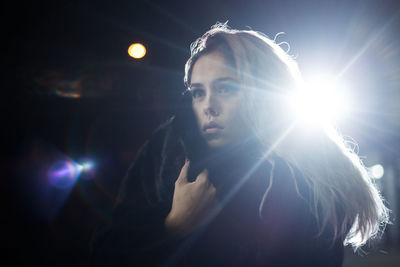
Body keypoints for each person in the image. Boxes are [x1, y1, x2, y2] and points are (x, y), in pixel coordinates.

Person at [90, 22, 389, 267]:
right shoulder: (167, 151)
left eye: (226, 88)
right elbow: (106, 253)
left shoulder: (310, 174)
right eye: (198, 92)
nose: (209, 105)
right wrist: (172, 227)